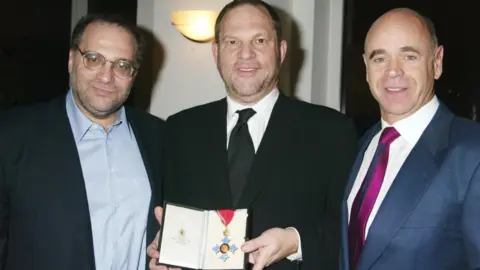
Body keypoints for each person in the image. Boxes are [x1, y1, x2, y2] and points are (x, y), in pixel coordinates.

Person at [147, 0, 357, 269]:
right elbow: (171, 224)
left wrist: (296, 242)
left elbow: (350, 230)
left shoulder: (331, 131)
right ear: (216, 52)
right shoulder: (179, 130)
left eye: (259, 41)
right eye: (233, 42)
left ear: (281, 51)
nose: (246, 54)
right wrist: (162, 253)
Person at [0, 14, 164, 270]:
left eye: (122, 65)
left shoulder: (158, 136)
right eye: (94, 59)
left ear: (134, 74)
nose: (107, 77)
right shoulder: (12, 135)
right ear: (71, 60)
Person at [340, 8, 480, 270]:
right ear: (366, 68)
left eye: (409, 56)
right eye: (380, 58)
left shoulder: (473, 152)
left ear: (436, 62)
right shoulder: (365, 144)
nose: (393, 71)